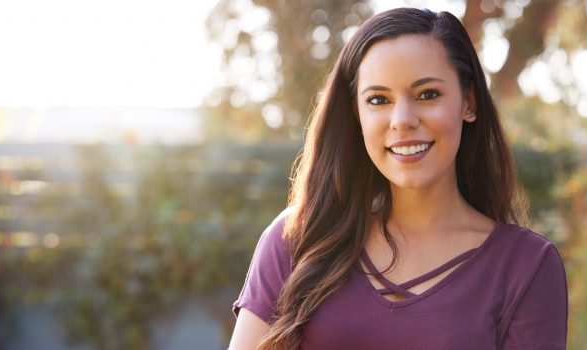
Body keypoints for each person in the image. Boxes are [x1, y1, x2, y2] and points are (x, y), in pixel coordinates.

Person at [228, 7, 568, 350]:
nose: (402, 119)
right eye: (378, 100)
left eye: (427, 94)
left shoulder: (526, 267)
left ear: (468, 102)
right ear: (356, 115)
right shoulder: (297, 239)